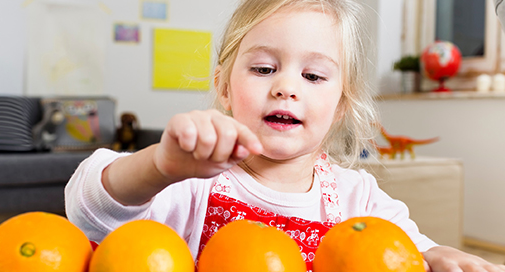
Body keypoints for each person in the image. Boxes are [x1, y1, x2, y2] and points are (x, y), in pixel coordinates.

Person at [66, 0, 505, 271]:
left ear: (340, 107)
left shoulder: (357, 198)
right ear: (223, 87)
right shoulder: (191, 182)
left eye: (313, 75)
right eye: (263, 69)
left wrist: (436, 254)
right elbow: (88, 208)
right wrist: (159, 166)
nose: (286, 87)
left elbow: (405, 247)